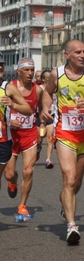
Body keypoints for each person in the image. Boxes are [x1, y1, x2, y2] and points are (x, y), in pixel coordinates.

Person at [40, 39, 84, 244]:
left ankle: (65, 202)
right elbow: (47, 93)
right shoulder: (57, 74)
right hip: (64, 134)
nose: (82, 55)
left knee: (76, 183)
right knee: (69, 178)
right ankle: (71, 226)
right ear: (67, 55)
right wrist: (45, 108)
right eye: (78, 52)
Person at [4, 58, 42, 218]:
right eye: (26, 70)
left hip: (30, 135)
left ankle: (22, 205)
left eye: (32, 70)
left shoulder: (37, 90)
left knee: (28, 171)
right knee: (9, 174)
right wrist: (8, 121)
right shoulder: (9, 87)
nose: (30, 73)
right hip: (11, 136)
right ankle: (12, 182)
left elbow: (41, 112)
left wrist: (41, 129)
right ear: (18, 71)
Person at [0, 54, 32, 191]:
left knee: (7, 174)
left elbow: (28, 109)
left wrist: (13, 105)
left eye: (1, 64)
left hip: (3, 140)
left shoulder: (7, 88)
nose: (0, 66)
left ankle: (12, 181)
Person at [36, 70, 55, 168]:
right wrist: (42, 121)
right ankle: (38, 149)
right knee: (39, 140)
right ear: (43, 79)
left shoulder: (55, 89)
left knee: (50, 139)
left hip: (51, 117)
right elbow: (38, 106)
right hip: (40, 117)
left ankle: (48, 159)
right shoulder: (39, 89)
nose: (50, 79)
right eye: (48, 77)